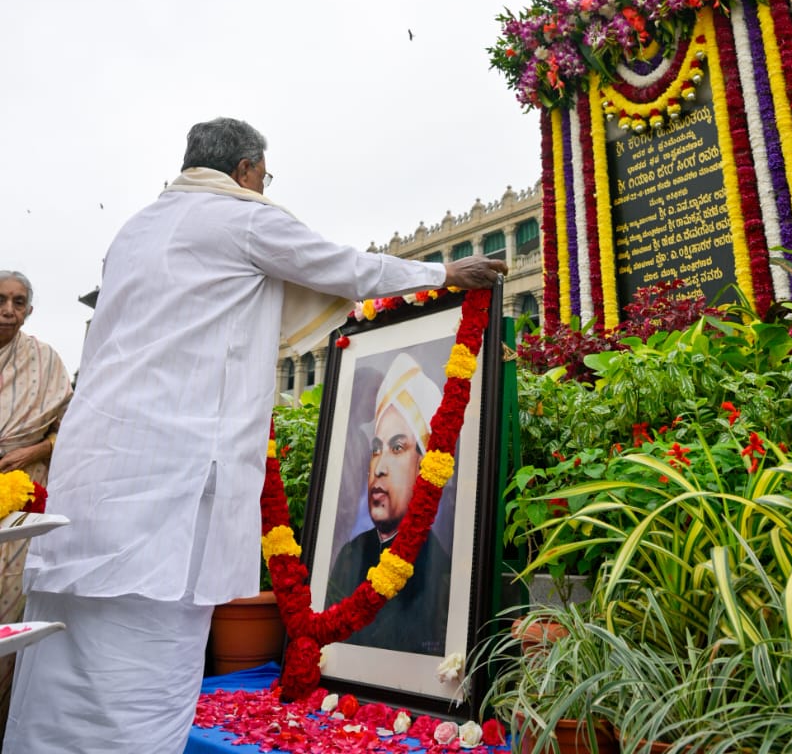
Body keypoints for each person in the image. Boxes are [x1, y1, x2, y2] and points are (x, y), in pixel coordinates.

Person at [3, 119, 507, 754]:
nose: (265, 189)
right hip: (166, 495)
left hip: (92, 480)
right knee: (143, 685)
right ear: (245, 170)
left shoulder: (133, 231)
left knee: (63, 675)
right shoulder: (238, 216)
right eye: (265, 178)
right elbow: (342, 265)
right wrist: (443, 274)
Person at [326, 351, 451, 654]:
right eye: (376, 448)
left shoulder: (441, 571)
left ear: (424, 466)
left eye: (397, 448)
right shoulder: (349, 555)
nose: (379, 466)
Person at [0, 272, 71, 736]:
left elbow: (73, 426)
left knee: (9, 609)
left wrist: (34, 452)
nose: (9, 309)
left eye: (19, 302)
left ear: (29, 310)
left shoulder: (44, 360)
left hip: (21, 494)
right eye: (1, 299)